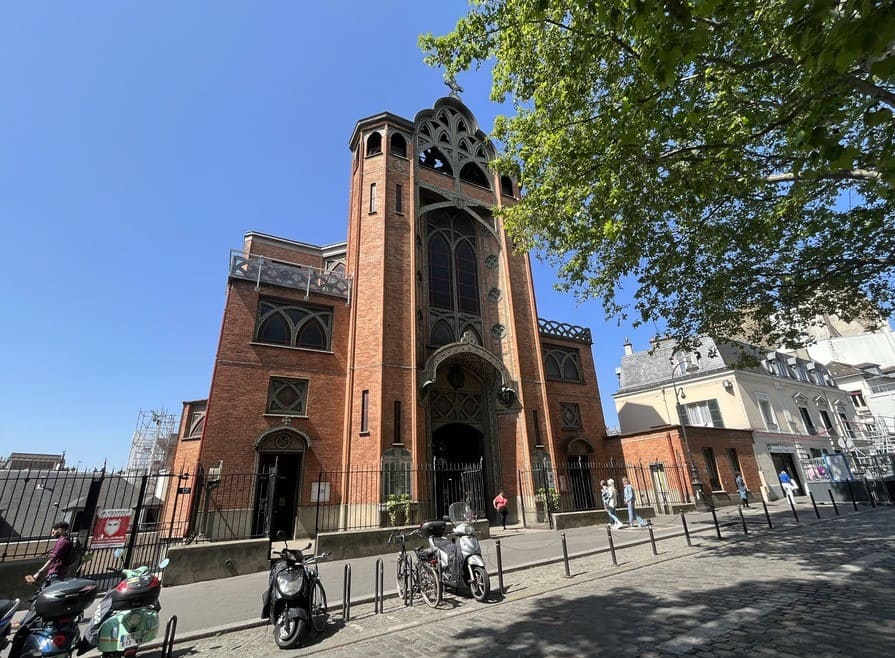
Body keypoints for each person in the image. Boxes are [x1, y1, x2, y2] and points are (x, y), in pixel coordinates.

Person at [25, 521, 73, 589]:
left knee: (44, 593)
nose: (52, 534)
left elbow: (53, 559)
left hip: (55, 573)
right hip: (61, 572)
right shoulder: (67, 540)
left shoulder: (62, 542)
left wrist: (39, 573)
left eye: (53, 531)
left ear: (60, 529)